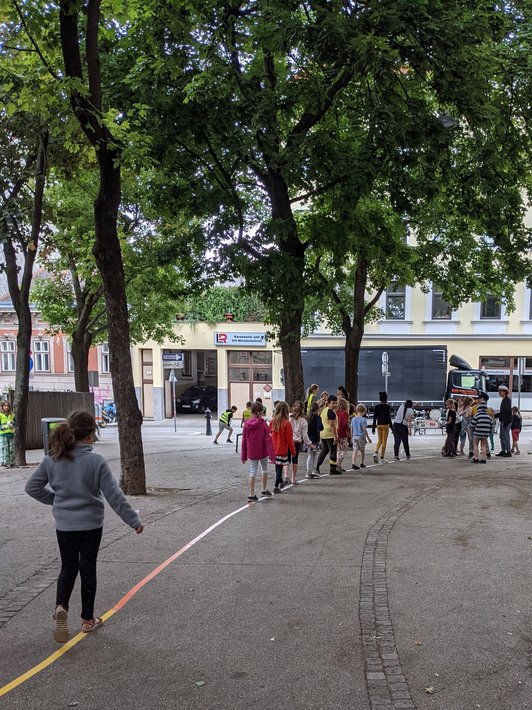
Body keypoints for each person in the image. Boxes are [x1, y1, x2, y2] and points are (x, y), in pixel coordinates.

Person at [24, 411, 143, 643]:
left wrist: (56, 501)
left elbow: (32, 487)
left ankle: (61, 606)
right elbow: (114, 496)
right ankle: (88, 620)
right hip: (91, 525)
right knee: (88, 568)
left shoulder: (52, 459)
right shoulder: (96, 461)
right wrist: (133, 521)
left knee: (68, 567)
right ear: (90, 435)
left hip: (64, 526)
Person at [241, 402, 274, 501]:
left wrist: (243, 456)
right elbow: (268, 440)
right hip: (263, 451)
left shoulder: (246, 425)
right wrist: (272, 456)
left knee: (252, 471)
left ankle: (251, 494)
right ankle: (264, 489)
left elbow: (244, 441)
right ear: (261, 412)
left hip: (252, 452)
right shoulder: (263, 424)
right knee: (264, 469)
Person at [269, 401, 295, 494]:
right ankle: (276, 485)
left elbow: (270, 435)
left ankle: (280, 481)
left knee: (277, 467)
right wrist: (293, 451)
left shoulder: (272, 421)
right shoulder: (287, 423)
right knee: (280, 467)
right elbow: (289, 440)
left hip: (273, 449)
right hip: (282, 449)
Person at [289, 402, 312, 484]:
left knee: (286, 460)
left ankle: (285, 477)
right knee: (295, 460)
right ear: (303, 409)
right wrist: (309, 443)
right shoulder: (303, 421)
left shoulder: (289, 417)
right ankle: (293, 478)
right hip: (296, 442)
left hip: (288, 441)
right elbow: (305, 436)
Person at [316, 394, 339, 475]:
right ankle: (332, 469)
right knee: (333, 451)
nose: (335, 405)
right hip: (330, 434)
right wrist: (335, 437)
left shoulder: (324, 410)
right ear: (328, 403)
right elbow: (332, 425)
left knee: (324, 450)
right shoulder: (331, 412)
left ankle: (317, 466)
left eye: (336, 403)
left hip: (323, 434)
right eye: (333, 403)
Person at [470, 391, 493, 464]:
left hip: (477, 433)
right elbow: (491, 425)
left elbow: (473, 424)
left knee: (476, 445)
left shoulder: (477, 415)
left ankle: (476, 458)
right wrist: (489, 431)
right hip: (485, 433)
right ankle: (483, 459)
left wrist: (473, 430)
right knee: (483, 446)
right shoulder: (488, 416)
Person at [371, 391, 392, 463]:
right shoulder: (387, 407)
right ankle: (382, 457)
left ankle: (376, 452)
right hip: (385, 425)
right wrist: (392, 427)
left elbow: (374, 418)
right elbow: (389, 418)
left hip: (378, 425)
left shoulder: (377, 407)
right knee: (384, 441)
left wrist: (373, 427)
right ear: (386, 399)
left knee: (379, 440)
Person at [351, 404, 371, 469]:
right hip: (361, 436)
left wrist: (351, 437)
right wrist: (368, 438)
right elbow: (364, 429)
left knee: (355, 450)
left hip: (354, 436)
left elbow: (351, 429)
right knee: (362, 451)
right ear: (363, 411)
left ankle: (353, 463)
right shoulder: (363, 420)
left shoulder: (353, 419)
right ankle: (362, 463)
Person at [305, 401, 322, 479]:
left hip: (308, 439)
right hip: (315, 439)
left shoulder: (307, 417)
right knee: (314, 456)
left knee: (309, 455)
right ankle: (312, 471)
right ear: (317, 409)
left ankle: (309, 471)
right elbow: (321, 427)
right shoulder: (317, 418)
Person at [495, 385, 512, 457]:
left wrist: (495, 415)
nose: (499, 393)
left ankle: (508, 451)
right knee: (502, 436)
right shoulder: (504, 400)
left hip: (506, 421)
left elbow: (505, 412)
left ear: (505, 392)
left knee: (505, 436)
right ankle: (503, 450)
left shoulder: (507, 400)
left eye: (500, 391)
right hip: (503, 420)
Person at [335, 397, 350, 472]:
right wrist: (348, 429)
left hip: (336, 433)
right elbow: (345, 424)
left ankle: (338, 465)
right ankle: (338, 464)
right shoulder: (345, 413)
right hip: (343, 433)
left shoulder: (336, 412)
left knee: (338, 450)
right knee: (344, 449)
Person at [0, 400, 16, 468]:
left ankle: (12, 462)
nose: (7, 407)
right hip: (3, 435)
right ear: (2, 407)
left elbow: (15, 422)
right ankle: (4, 463)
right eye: (5, 406)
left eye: (8, 406)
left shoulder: (12, 414)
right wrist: (3, 427)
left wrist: (12, 424)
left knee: (12, 449)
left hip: (11, 434)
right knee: (4, 449)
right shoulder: (0, 415)